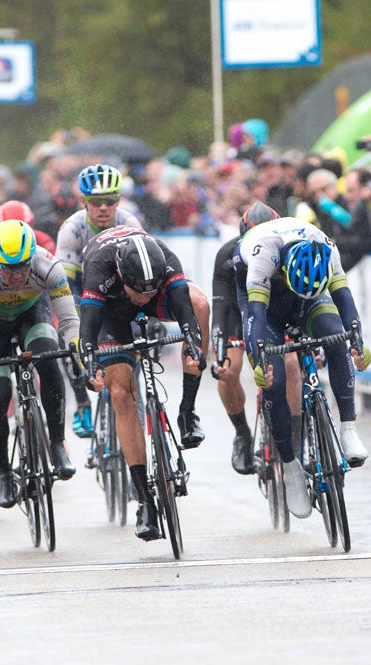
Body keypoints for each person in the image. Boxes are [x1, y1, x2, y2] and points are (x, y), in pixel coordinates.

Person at [235, 217, 371, 519]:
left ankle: (348, 428)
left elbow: (345, 300)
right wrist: (261, 361)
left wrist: (356, 340)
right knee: (276, 378)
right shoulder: (262, 253)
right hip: (265, 305)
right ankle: (289, 465)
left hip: (309, 296)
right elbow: (255, 314)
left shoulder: (326, 248)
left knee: (336, 340)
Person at [79, 227, 208, 540]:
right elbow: (87, 330)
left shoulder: (166, 259)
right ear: (122, 274)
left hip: (154, 304)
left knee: (200, 302)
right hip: (111, 311)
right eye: (140, 288)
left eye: (152, 287)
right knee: (121, 393)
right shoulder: (100, 267)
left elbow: (188, 315)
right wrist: (91, 365)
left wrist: (195, 347)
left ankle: (187, 412)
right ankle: (144, 499)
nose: (146, 293)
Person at [0, 220, 79, 508]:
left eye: (23, 266)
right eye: (8, 268)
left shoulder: (47, 264)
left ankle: (57, 444)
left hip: (31, 316)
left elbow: (69, 321)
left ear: (32, 257)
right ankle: (1, 470)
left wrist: (76, 353)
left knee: (49, 359)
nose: (17, 275)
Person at [56, 164, 142, 439]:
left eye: (111, 201)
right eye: (95, 202)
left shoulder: (130, 224)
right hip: (85, 297)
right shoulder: (72, 230)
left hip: (122, 298)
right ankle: (82, 403)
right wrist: (80, 323)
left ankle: (133, 402)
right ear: (83, 202)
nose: (103, 207)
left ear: (119, 200)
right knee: (69, 339)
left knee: (138, 344)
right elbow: (66, 287)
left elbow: (146, 274)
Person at [211, 202, 282, 474]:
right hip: (238, 314)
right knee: (227, 371)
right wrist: (219, 350)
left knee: (289, 366)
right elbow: (220, 306)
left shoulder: (286, 247)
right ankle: (242, 433)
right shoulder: (228, 254)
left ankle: (295, 434)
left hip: (274, 311)